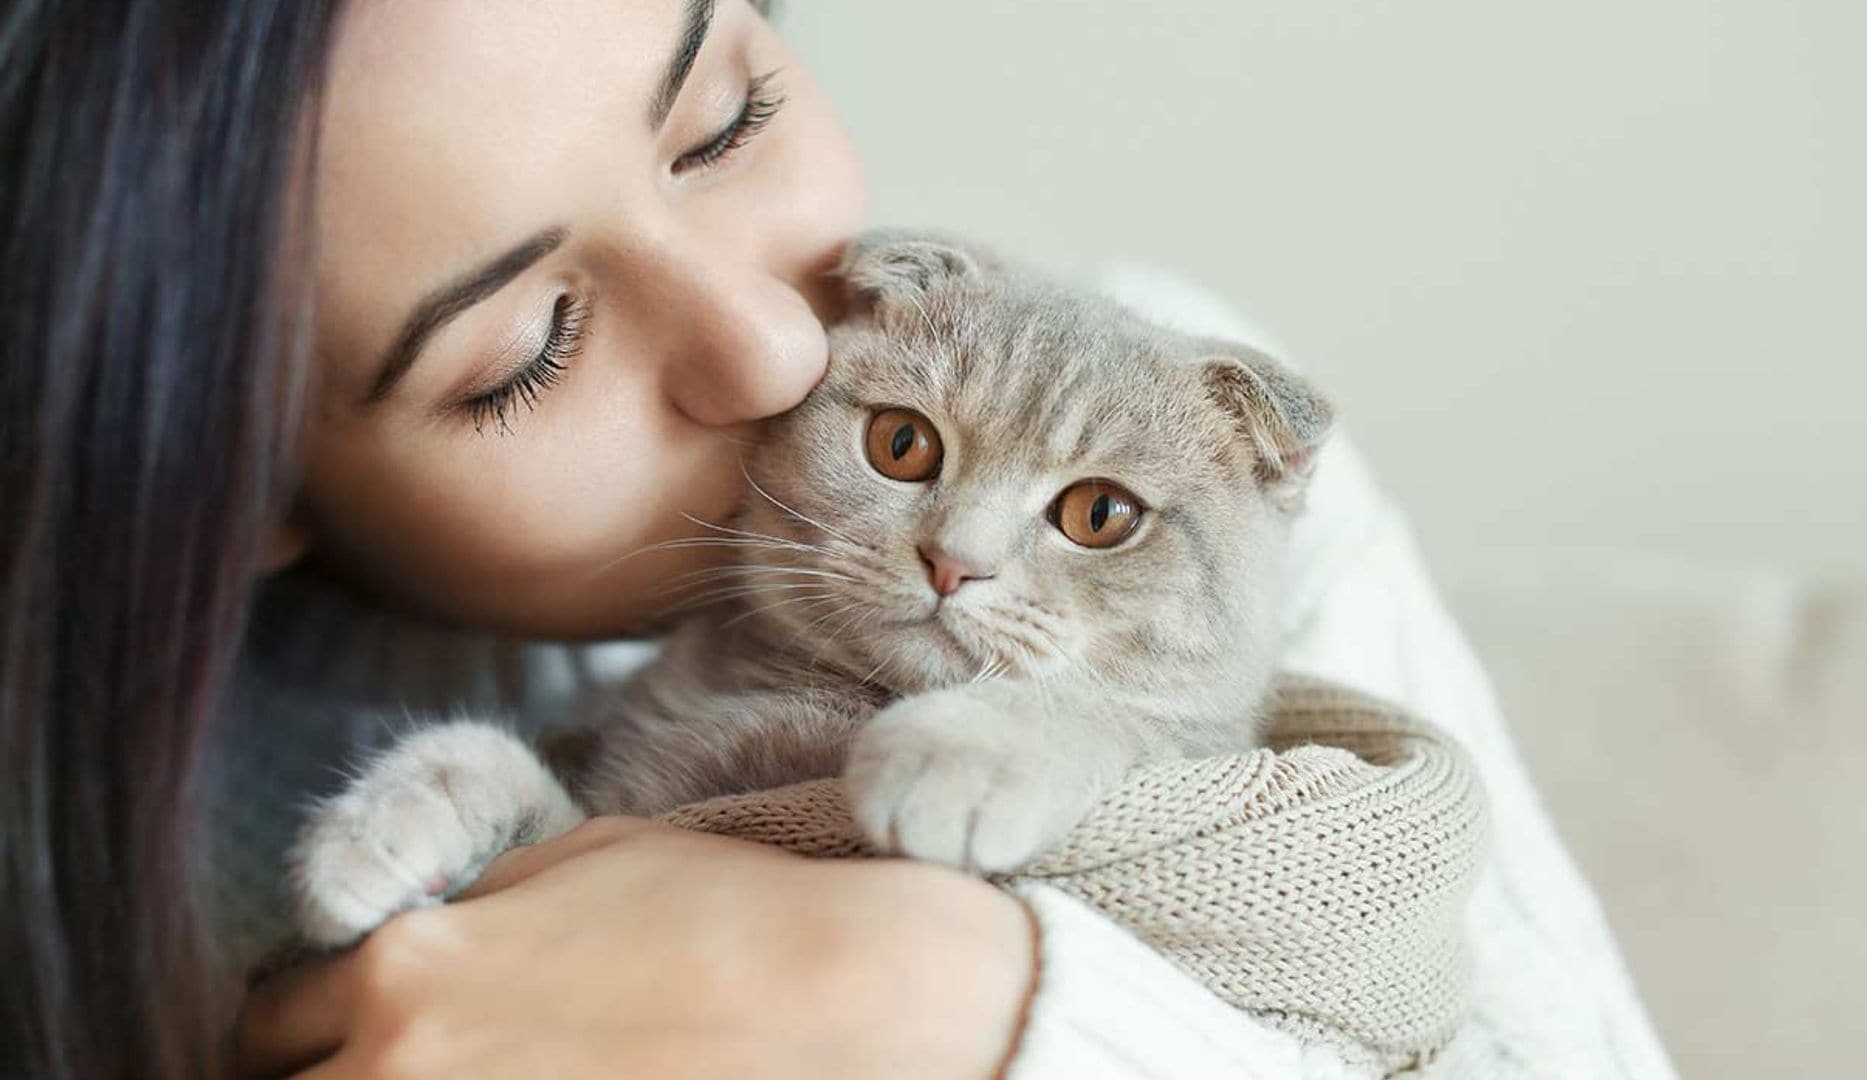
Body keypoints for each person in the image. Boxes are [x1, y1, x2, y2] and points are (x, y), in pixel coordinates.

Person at [1, 1, 1676, 1078]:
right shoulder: (123, 879)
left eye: (722, 120)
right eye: (530, 348)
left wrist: (946, 997)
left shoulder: (1176, 416)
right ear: (234, 498)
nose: (780, 347)